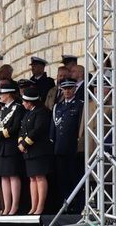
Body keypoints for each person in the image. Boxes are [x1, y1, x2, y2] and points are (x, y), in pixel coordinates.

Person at [0, 84, 25, 216]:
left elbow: (15, 127)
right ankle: (7, 207)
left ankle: (15, 206)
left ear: (8, 94)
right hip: (1, 148)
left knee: (13, 176)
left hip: (11, 147)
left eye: (2, 94)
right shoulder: (3, 109)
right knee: (4, 177)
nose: (0, 96)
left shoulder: (18, 108)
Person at [50, 79, 84, 212]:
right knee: (62, 180)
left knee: (75, 178)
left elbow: (80, 127)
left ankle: (77, 206)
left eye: (70, 88)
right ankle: (65, 206)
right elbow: (53, 130)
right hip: (60, 149)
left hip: (73, 149)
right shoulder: (57, 107)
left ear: (75, 89)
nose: (67, 91)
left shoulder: (80, 105)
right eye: (65, 89)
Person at [18, 87, 53, 215]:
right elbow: (22, 129)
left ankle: (40, 206)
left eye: (24, 101)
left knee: (39, 177)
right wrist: (20, 142)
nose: (23, 103)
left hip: (39, 150)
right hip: (29, 151)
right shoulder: (28, 113)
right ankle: (33, 206)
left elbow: (38, 130)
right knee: (32, 178)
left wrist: (25, 143)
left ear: (30, 101)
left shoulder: (42, 112)